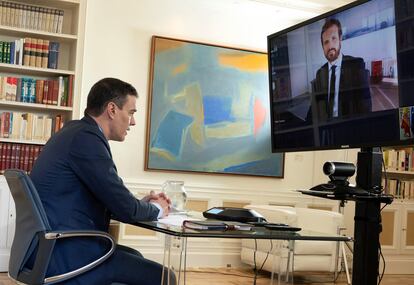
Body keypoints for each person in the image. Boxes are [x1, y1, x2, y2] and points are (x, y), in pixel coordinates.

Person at [30, 78, 175, 285]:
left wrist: (142, 204)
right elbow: (125, 208)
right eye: (131, 112)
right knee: (165, 277)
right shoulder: (86, 140)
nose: (133, 122)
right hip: (68, 255)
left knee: (134, 256)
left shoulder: (75, 132)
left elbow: (112, 200)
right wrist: (158, 209)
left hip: (53, 248)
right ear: (112, 109)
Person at [312, 18, 371, 122]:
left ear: (340, 39)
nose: (330, 46)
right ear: (322, 47)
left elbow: (366, 108)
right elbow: (318, 113)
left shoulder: (356, 65)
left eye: (333, 38)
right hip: (328, 132)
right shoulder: (320, 73)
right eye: (326, 42)